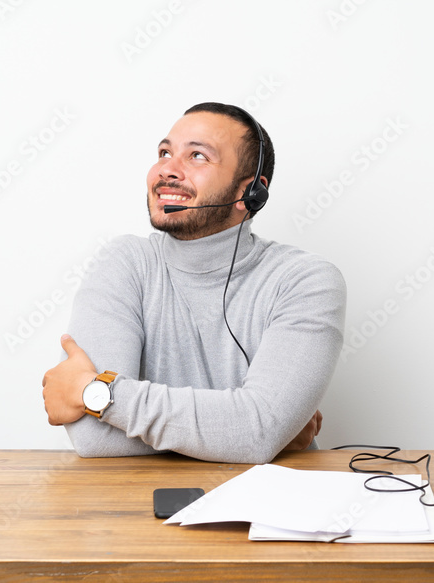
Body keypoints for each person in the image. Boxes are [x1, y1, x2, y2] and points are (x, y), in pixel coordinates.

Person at [41, 102, 347, 464]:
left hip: (269, 507)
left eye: (197, 156)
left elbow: (259, 432)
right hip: (132, 505)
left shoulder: (306, 281)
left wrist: (95, 395)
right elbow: (94, 439)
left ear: (251, 193)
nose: (166, 170)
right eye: (164, 152)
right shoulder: (123, 263)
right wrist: (248, 432)